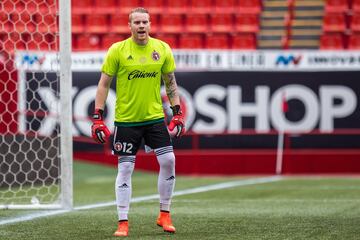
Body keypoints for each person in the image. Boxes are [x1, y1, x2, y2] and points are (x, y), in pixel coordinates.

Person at [90, 7, 185, 237]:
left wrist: (178, 113)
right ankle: (123, 222)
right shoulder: (118, 50)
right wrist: (97, 117)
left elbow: (170, 83)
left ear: (150, 24)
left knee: (169, 160)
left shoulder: (162, 49)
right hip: (126, 120)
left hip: (154, 118)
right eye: (137, 22)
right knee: (125, 168)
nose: (141, 26)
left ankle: (165, 214)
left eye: (145, 22)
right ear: (130, 25)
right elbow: (104, 84)